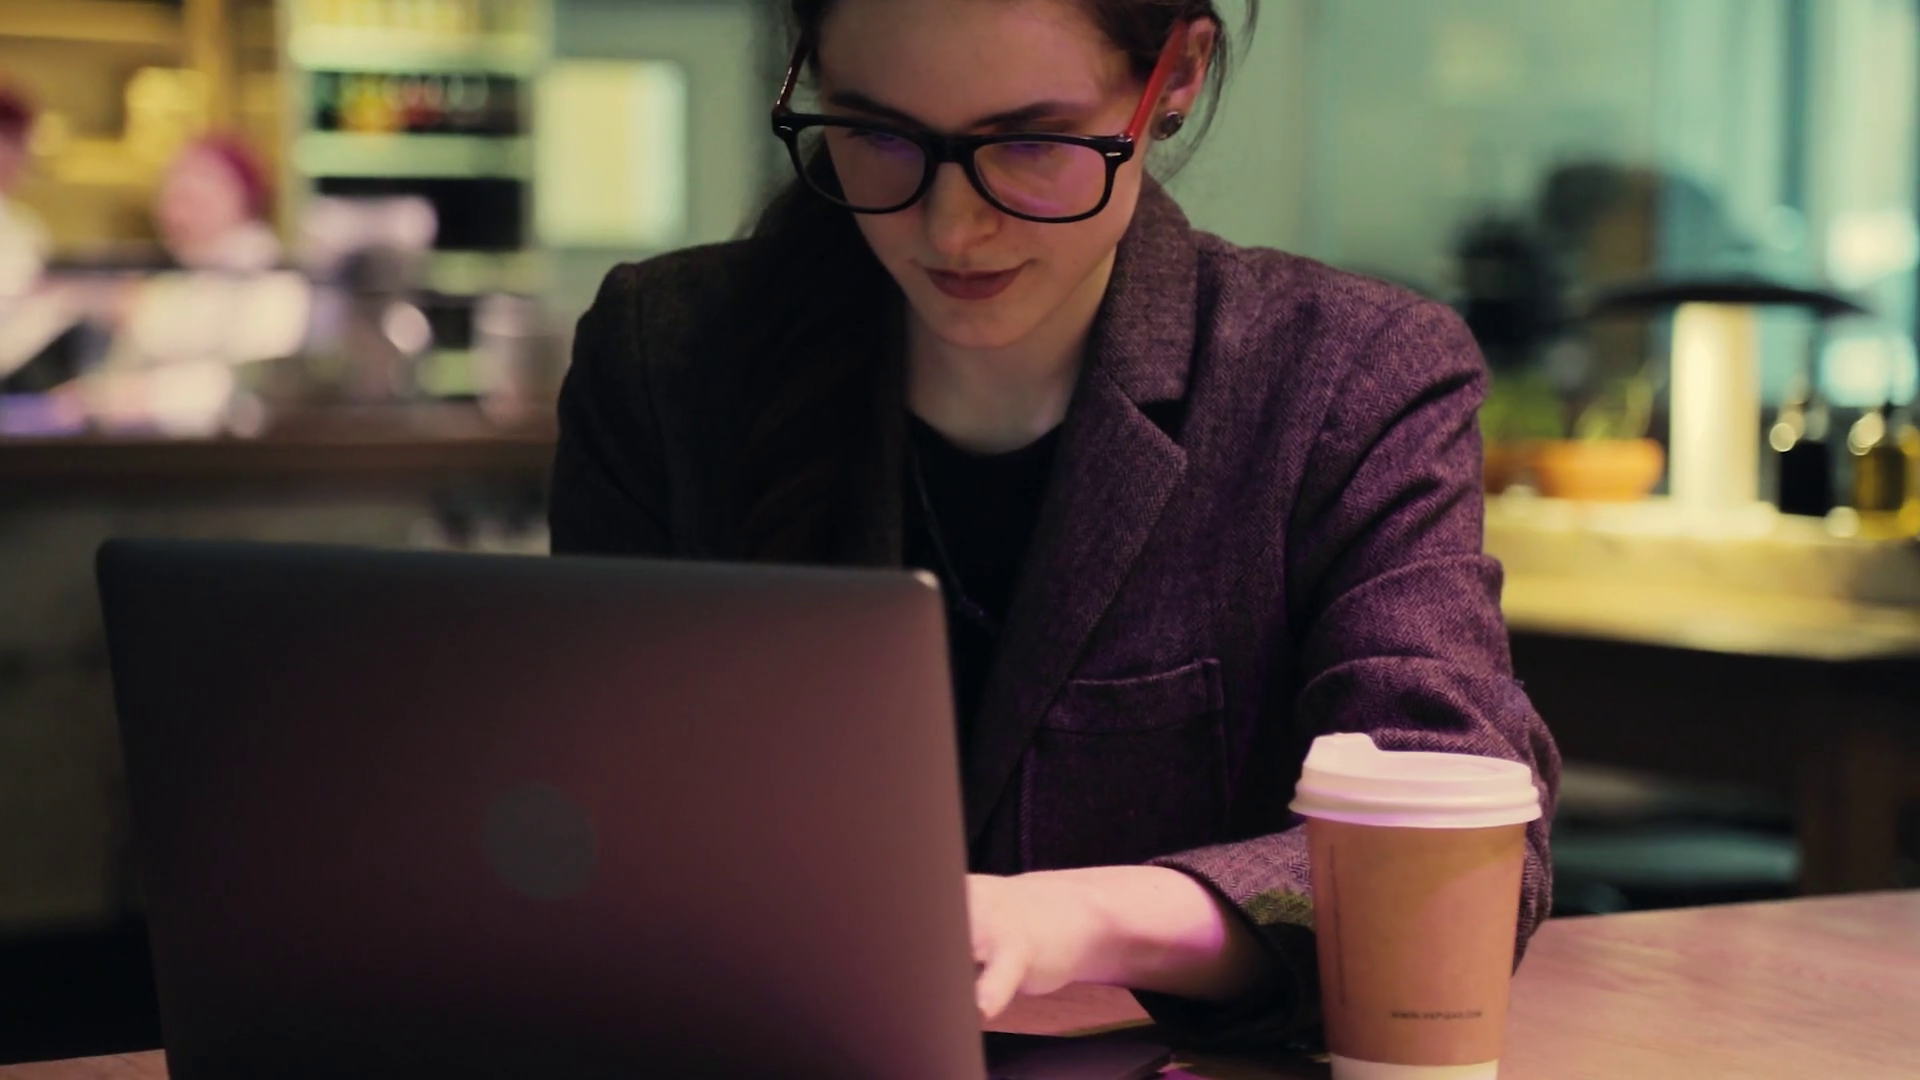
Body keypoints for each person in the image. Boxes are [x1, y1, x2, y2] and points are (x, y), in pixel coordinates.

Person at [549, 0, 1560, 1050]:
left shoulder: (1342, 379)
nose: (950, 227)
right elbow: (572, 817)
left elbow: (1462, 860)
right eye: (879, 135)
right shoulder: (669, 357)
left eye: (1030, 142)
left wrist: (1075, 920)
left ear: (1177, 78)